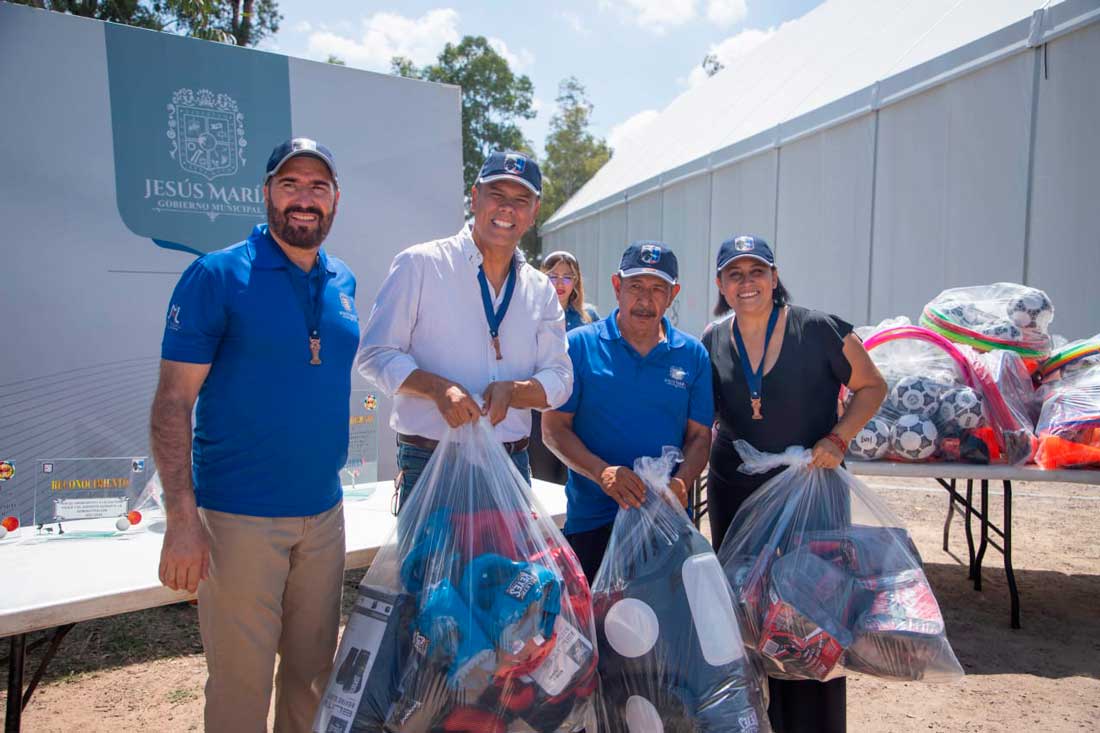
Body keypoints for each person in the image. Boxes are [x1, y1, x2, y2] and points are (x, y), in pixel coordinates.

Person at [152, 138, 358, 732]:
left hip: (323, 515)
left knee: (313, 676)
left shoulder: (342, 279)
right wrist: (181, 517)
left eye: (318, 187)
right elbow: (172, 404)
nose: (304, 199)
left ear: (335, 201)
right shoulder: (216, 275)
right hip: (238, 518)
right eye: (290, 184)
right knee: (241, 688)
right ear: (266, 193)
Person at [701, 234, 887, 733]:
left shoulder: (820, 329)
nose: (746, 283)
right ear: (720, 283)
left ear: (774, 277)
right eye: (734, 274)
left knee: (813, 609)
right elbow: (704, 418)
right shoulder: (713, 339)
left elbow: (873, 386)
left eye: (756, 271)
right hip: (737, 493)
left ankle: (814, 725)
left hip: (812, 490)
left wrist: (839, 438)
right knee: (748, 610)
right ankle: (758, 720)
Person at [356, 150, 572, 512]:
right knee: (429, 570)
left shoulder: (540, 289)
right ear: (475, 198)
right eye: (497, 195)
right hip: (430, 461)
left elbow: (561, 378)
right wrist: (439, 390)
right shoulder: (421, 264)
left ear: (534, 214)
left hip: (509, 464)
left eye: (520, 201)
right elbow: (375, 354)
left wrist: (516, 392)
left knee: (506, 571)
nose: (507, 209)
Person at [542, 241, 714, 581]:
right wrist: (602, 473)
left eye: (657, 289)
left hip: (664, 523)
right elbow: (553, 430)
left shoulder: (692, 355)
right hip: (593, 521)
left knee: (665, 629)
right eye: (635, 286)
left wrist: (682, 483)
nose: (645, 300)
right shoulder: (579, 345)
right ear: (617, 287)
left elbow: (699, 437)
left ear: (673, 294)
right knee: (595, 629)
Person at [528, 250, 600, 482]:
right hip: (542, 409)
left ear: (576, 281)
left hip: (578, 411)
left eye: (567, 277)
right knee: (543, 478)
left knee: (572, 477)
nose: (560, 283)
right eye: (553, 276)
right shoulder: (529, 314)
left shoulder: (589, 316)